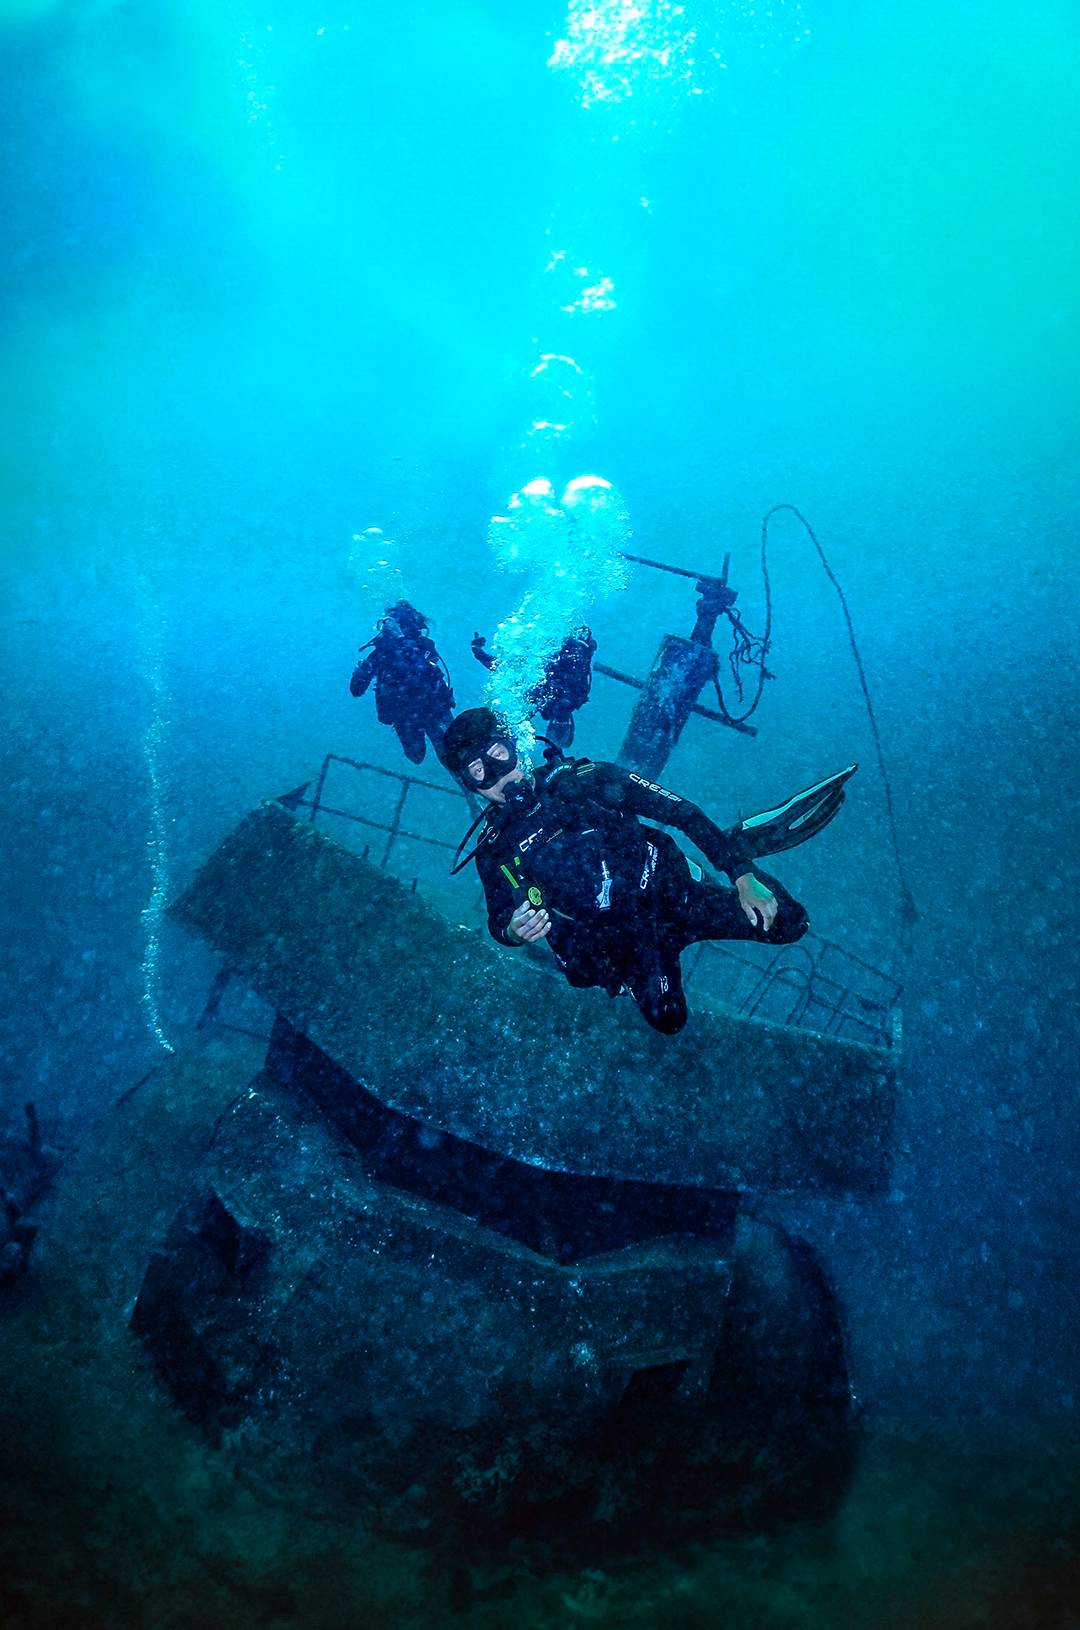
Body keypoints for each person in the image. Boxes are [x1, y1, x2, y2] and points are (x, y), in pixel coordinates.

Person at [443, 706, 856, 1036]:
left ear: (515, 746)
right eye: (478, 772)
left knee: (791, 924)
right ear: (470, 784)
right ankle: (723, 855)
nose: (496, 775)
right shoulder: (496, 851)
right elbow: (499, 919)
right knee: (668, 1021)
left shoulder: (590, 781)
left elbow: (683, 813)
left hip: (680, 895)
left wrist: (742, 875)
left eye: (498, 755)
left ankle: (735, 847)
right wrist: (514, 931)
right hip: (629, 939)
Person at [350, 602, 456, 766]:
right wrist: (360, 674)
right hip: (405, 714)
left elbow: (420, 669)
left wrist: (400, 640)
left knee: (454, 749)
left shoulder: (424, 646)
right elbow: (356, 690)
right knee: (416, 755)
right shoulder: (381, 654)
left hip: (433, 707)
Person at [470, 626, 597, 752]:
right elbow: (503, 667)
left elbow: (502, 667)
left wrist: (478, 652)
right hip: (551, 690)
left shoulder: (543, 673)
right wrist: (478, 652)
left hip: (548, 690)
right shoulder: (559, 676)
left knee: (522, 711)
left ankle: (502, 745)